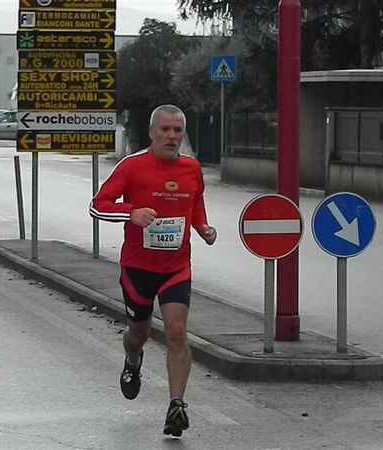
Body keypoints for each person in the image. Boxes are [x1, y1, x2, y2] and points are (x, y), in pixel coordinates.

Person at [89, 104, 217, 438]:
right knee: (139, 333)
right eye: (165, 130)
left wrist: (203, 227)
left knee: (176, 331)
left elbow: (195, 201)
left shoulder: (192, 168)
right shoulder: (132, 166)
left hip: (176, 267)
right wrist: (130, 213)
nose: (172, 136)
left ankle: (177, 404)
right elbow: (97, 205)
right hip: (137, 267)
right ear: (151, 132)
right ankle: (133, 360)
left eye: (178, 130)